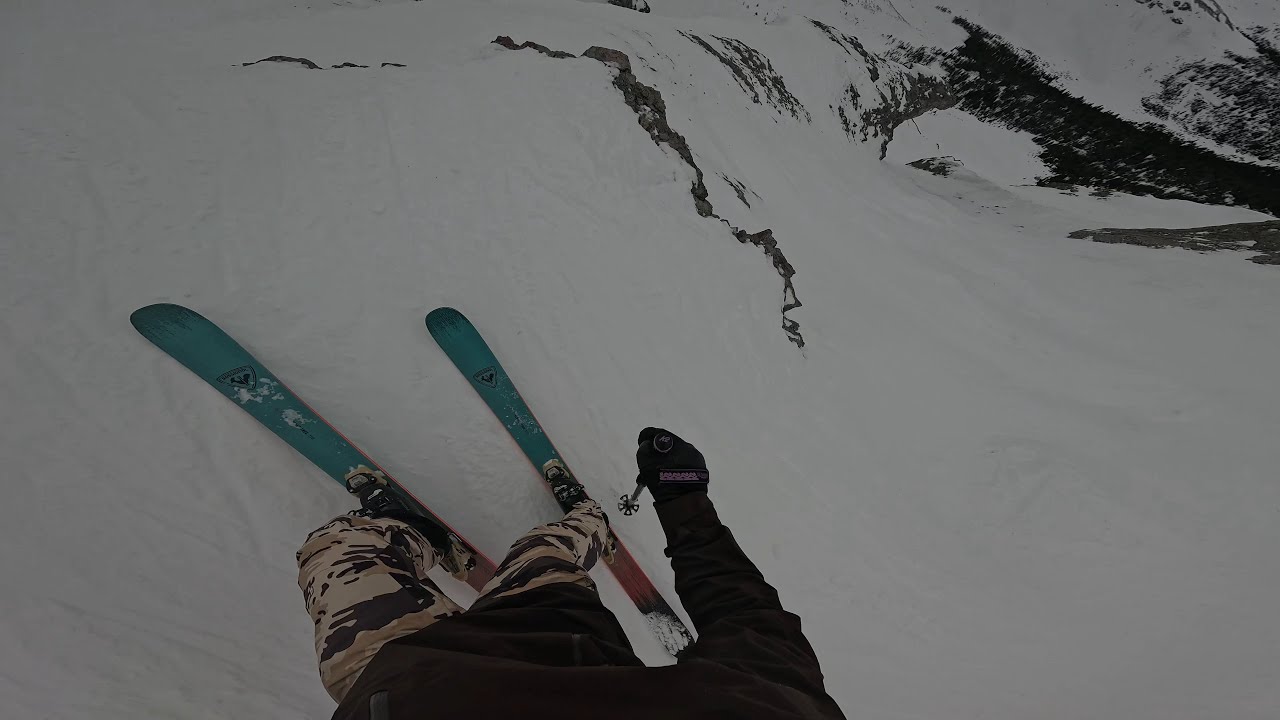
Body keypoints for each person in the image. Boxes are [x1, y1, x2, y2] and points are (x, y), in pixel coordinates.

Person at [297, 427, 846, 719]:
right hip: (544, 623)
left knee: (333, 549)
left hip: (395, 673)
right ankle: (589, 524)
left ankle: (411, 536)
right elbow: (743, 607)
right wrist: (682, 499)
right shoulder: (776, 706)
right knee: (546, 553)